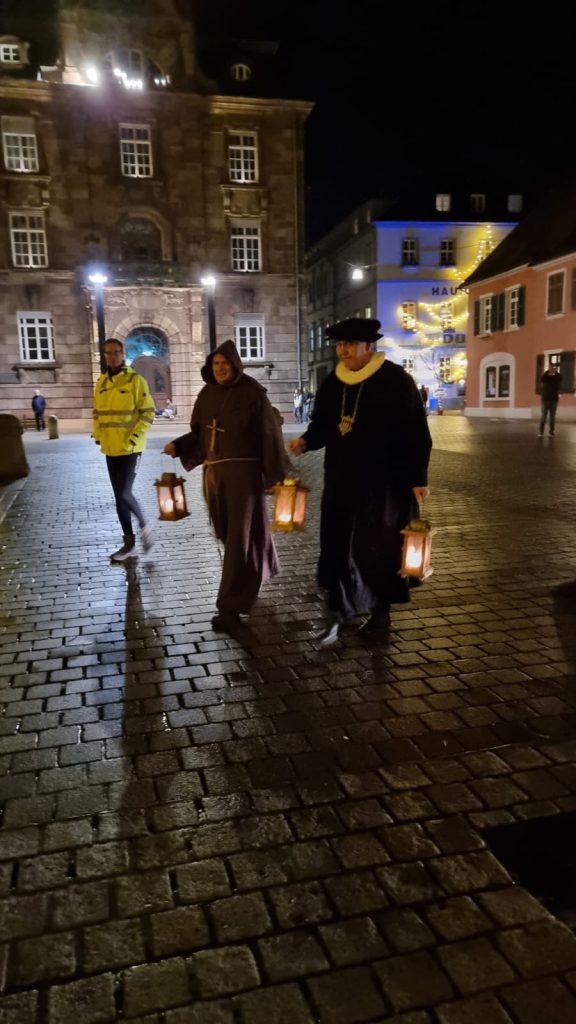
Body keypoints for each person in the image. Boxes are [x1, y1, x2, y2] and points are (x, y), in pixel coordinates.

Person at [288, 317, 432, 646]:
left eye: (349, 344)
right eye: (339, 345)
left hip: (384, 483)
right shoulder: (334, 381)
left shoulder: (396, 380)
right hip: (341, 479)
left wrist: (418, 477)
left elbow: (417, 434)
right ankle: (343, 607)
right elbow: (324, 424)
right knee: (338, 545)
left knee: (377, 549)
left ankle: (380, 614)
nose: (342, 351)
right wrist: (307, 441)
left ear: (369, 346)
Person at [164, 339, 289, 632]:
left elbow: (270, 435)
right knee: (229, 533)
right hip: (214, 477)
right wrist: (178, 445)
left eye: (225, 364)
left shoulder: (253, 394)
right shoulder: (207, 394)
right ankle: (260, 566)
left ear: (235, 365)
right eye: (216, 365)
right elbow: (198, 434)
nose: (220, 369)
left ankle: (229, 606)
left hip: (243, 477)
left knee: (237, 538)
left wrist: (275, 476)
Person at [92, 338, 156, 561]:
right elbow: (97, 414)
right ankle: (129, 545)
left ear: (123, 354)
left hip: (131, 448)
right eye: (108, 353)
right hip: (110, 448)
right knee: (118, 498)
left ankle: (145, 526)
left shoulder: (135, 380)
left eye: (116, 352)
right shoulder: (101, 382)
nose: (112, 356)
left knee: (124, 492)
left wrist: (134, 437)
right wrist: (99, 436)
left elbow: (148, 412)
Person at [539, 365, 562, 436]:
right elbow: (542, 378)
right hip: (545, 399)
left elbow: (561, 378)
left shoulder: (556, 378)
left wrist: (556, 372)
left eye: (553, 369)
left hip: (554, 400)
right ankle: (541, 431)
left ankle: (551, 431)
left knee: (552, 417)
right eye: (551, 369)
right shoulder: (545, 378)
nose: (552, 370)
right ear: (548, 369)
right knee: (544, 416)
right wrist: (547, 371)